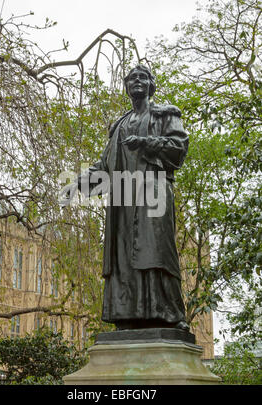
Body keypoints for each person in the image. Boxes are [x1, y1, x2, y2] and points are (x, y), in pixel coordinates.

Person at [62, 65, 189, 331]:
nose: (137, 82)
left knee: (157, 252)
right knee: (124, 258)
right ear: (127, 87)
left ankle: (169, 314)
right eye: (132, 78)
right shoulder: (119, 126)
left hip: (154, 195)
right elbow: (105, 165)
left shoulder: (166, 115)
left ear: (151, 84)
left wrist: (145, 142)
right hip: (123, 199)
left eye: (143, 77)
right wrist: (77, 183)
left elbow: (178, 150)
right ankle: (128, 315)